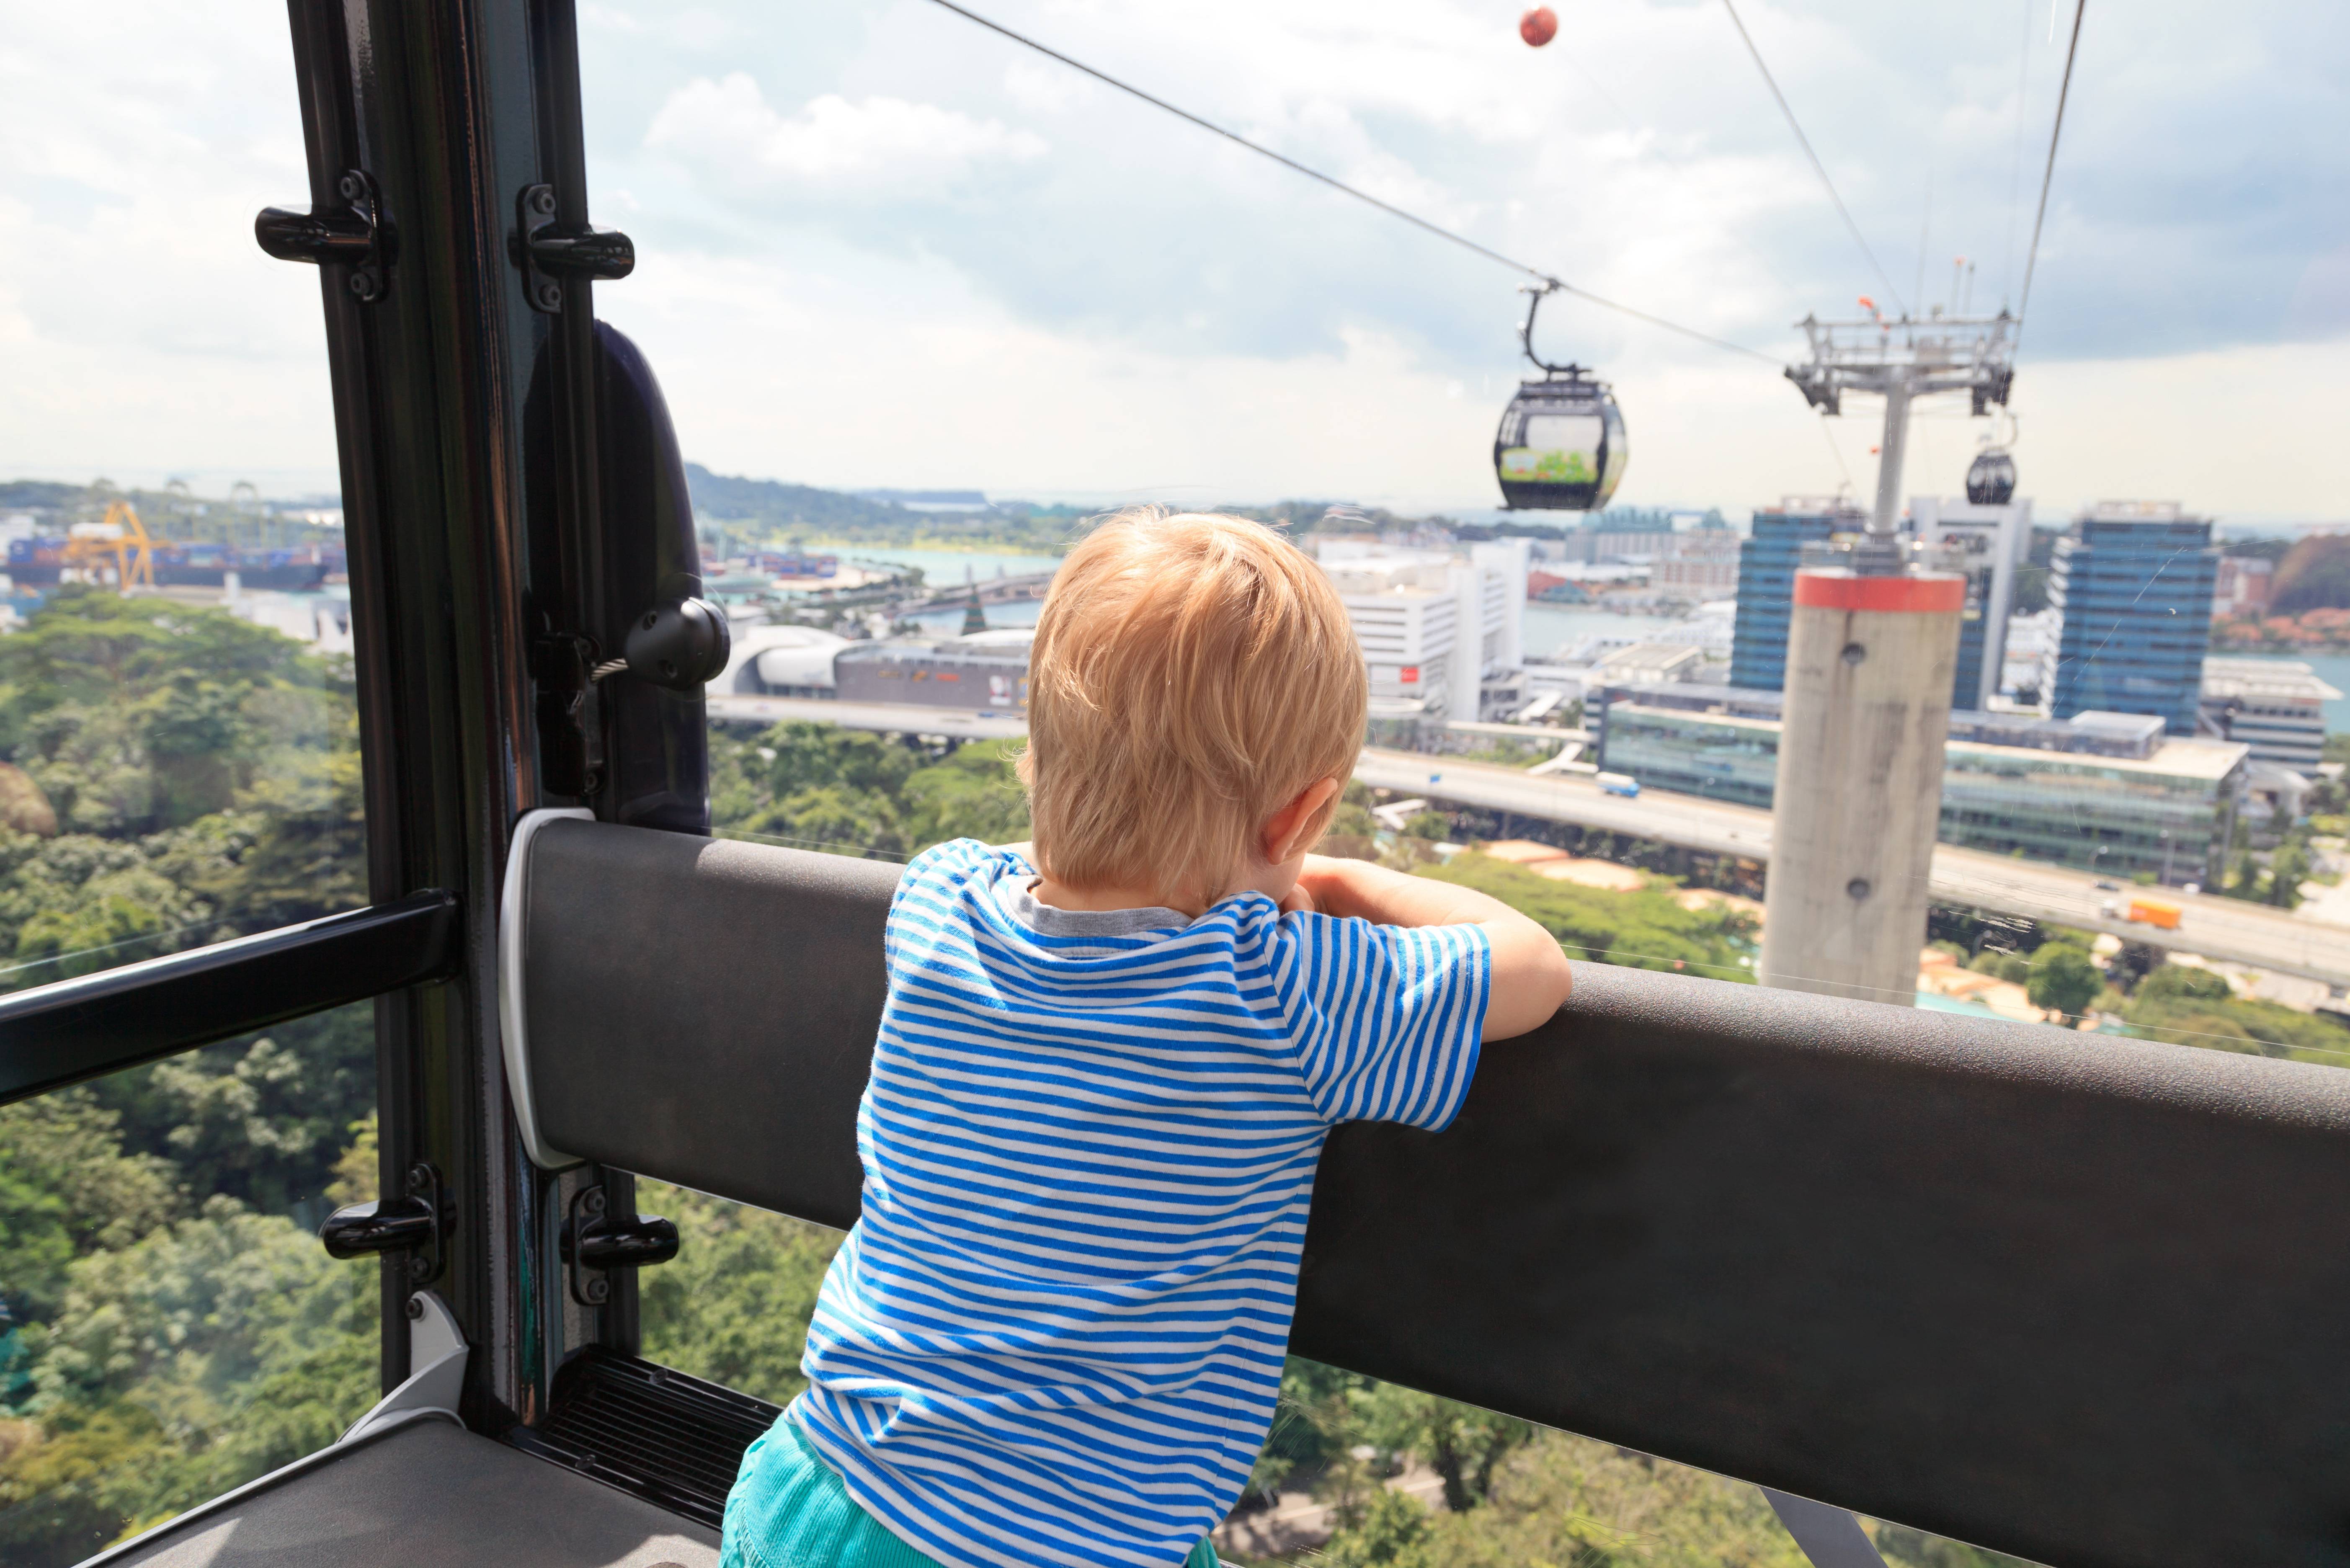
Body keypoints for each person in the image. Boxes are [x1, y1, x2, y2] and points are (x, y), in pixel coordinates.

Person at [720, 511, 1573, 1568]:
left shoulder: (938, 900)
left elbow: (1036, 865)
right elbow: (1533, 967)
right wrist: (1337, 878)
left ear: (1033, 760)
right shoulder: (1274, 989)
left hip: (814, 1496)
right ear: (1298, 816)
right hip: (1078, 1547)